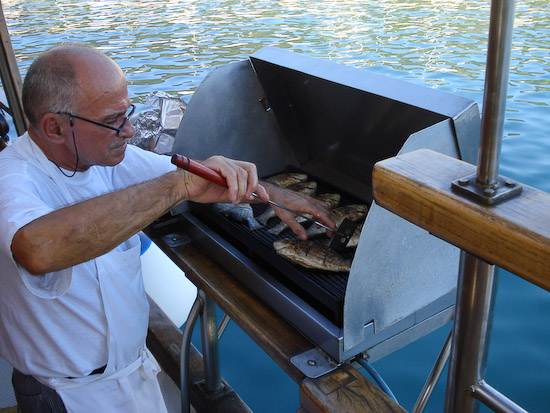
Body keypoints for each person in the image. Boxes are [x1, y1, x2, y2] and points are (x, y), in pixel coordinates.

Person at [0, 43, 334, 412]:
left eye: (127, 112)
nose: (128, 129)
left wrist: (276, 195)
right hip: (65, 396)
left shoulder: (101, 155)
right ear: (55, 127)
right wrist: (178, 186)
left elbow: (198, 179)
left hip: (130, 377)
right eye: (113, 120)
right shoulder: (11, 177)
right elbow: (37, 249)